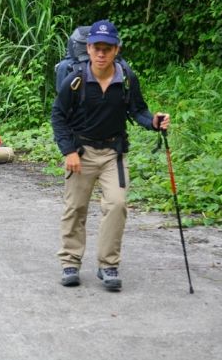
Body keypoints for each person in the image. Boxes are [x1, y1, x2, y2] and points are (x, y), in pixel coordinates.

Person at [50, 19, 170, 291]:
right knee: (75, 207)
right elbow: (58, 115)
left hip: (113, 153)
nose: (101, 54)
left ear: (116, 49)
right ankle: (70, 262)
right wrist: (68, 151)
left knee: (117, 205)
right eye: (97, 48)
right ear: (88, 49)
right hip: (81, 152)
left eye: (107, 48)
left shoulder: (126, 78)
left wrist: (153, 121)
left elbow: (137, 110)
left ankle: (108, 265)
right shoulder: (76, 79)